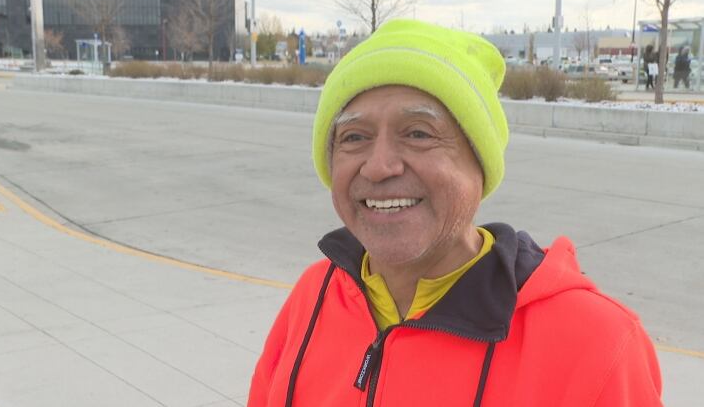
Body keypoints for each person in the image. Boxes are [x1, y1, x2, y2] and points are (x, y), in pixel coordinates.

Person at [249, 20, 662, 407]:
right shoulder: (314, 294)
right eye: (355, 137)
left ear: (479, 164)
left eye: (418, 133)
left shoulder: (596, 343)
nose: (378, 166)